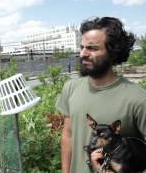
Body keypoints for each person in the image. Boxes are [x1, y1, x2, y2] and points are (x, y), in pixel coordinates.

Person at [56, 16, 146, 173]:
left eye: (92, 48)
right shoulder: (71, 88)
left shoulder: (138, 99)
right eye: (82, 47)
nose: (83, 53)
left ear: (113, 52)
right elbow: (68, 135)